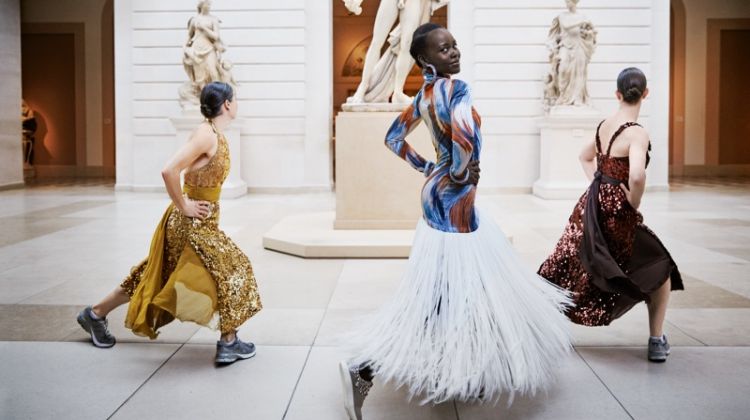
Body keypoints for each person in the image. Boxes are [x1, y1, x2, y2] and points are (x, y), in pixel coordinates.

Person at [339, 23, 573, 420]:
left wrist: (432, 168)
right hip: (455, 200)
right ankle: (365, 367)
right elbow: (464, 137)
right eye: (443, 49)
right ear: (424, 60)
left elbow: (394, 138)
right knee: (449, 291)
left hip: (437, 195)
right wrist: (461, 172)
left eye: (454, 46)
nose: (454, 52)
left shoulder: (424, 95)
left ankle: (464, 371)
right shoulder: (457, 90)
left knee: (452, 287)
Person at [76, 82, 262, 365]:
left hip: (199, 223)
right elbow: (169, 170)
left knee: (154, 273)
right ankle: (229, 341)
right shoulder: (206, 135)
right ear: (226, 104)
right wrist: (184, 205)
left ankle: (95, 314)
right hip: (191, 224)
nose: (237, 103)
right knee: (233, 269)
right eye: (235, 99)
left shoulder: (214, 133)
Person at [538, 67, 683, 363]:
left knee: (573, 263)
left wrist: (599, 182)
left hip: (592, 203)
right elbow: (638, 175)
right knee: (660, 267)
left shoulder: (604, 125)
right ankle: (656, 340)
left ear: (617, 94)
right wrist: (633, 201)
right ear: (646, 93)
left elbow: (585, 156)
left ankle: (539, 322)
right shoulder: (637, 133)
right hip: (618, 209)